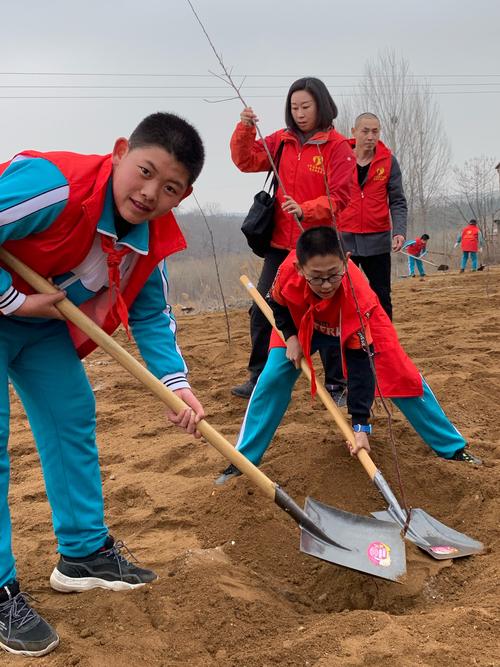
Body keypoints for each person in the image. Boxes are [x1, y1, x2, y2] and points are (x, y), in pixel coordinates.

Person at [0, 112, 206, 656]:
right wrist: (12, 299)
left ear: (181, 197)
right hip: (10, 303)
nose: (149, 193)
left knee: (72, 416)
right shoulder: (53, 185)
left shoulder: (147, 239)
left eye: (169, 188)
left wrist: (175, 384)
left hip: (40, 322)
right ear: (119, 152)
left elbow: (151, 313)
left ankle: (83, 553)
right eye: (144, 171)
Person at [216, 227, 481, 485]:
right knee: (273, 377)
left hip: (353, 320)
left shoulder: (358, 296)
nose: (326, 284)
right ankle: (244, 460)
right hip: (302, 321)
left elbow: (359, 367)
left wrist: (360, 427)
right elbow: (277, 303)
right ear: (300, 269)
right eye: (317, 277)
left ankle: (452, 448)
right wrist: (291, 337)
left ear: (346, 261)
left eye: (333, 275)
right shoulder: (287, 272)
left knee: (401, 375)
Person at [229, 77, 355, 402]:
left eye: (306, 107)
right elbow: (246, 160)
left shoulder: (336, 146)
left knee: (328, 315)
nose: (299, 113)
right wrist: (245, 129)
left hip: (319, 245)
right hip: (280, 245)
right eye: (294, 107)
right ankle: (257, 375)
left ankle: (338, 384)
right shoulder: (281, 142)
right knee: (263, 308)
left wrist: (307, 210)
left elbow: (342, 196)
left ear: (321, 106)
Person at [336, 112, 407, 320]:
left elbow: (398, 201)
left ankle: (385, 345)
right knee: (343, 294)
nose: (370, 136)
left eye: (375, 131)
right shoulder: (339, 158)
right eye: (365, 131)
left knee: (382, 295)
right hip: (344, 240)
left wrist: (399, 232)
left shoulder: (388, 161)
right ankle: (347, 342)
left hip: (378, 241)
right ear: (354, 132)